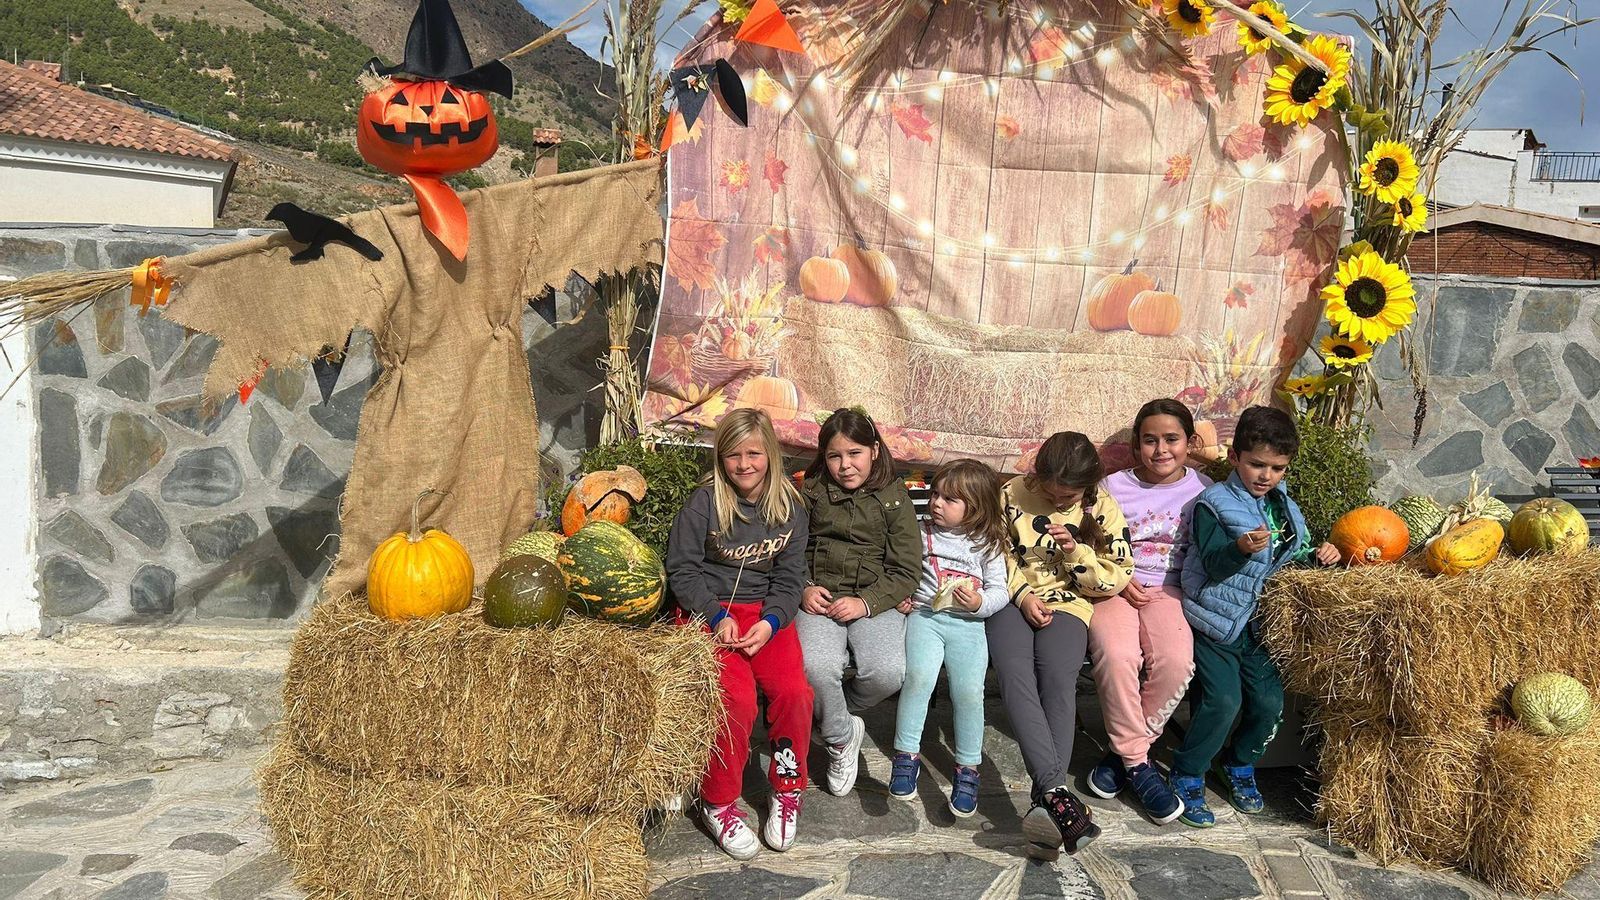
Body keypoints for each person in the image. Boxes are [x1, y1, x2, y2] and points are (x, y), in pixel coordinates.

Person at [1169, 405, 1340, 828]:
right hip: (1216, 622)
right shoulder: (1214, 504)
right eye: (1256, 464)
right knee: (1223, 701)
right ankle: (1188, 771)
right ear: (1235, 459)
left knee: (1268, 704)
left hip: (1260, 627)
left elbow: (1289, 561)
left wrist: (1321, 557)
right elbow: (1209, 563)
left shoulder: (1286, 508)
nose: (1266, 476)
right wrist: (1238, 550)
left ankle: (1238, 762)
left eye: (1277, 468)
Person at [665, 408, 812, 859]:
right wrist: (714, 615)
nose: (744, 465)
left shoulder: (790, 508)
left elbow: (789, 581)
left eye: (754, 453)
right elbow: (682, 570)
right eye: (733, 455)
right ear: (720, 458)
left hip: (766, 616)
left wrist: (770, 624)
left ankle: (787, 789)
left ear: (770, 453)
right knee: (737, 699)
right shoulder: (704, 503)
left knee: (794, 693)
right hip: (712, 612)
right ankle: (719, 802)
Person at [992, 431, 1134, 859]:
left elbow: (1116, 575)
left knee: (1057, 677)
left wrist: (1077, 553)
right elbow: (995, 554)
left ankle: (1048, 802)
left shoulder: (1099, 507)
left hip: (1070, 602)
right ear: (1038, 476)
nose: (1057, 502)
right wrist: (1022, 596)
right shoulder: (1010, 494)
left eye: (1066, 496)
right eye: (1050, 493)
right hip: (1010, 599)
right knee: (1015, 673)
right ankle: (1057, 793)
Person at [1086, 400, 1210, 824]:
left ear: (1190, 443)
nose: (1161, 450)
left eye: (1171, 439)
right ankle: (1140, 766)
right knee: (1117, 655)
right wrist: (1118, 580)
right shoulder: (1111, 487)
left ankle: (1121, 755)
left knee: (1176, 662)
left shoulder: (1203, 490)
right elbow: (1089, 545)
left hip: (1170, 590)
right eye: (1150, 440)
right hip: (1114, 588)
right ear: (1136, 445)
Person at [797, 408, 922, 797]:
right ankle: (838, 739)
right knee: (815, 665)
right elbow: (789, 546)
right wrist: (803, 586)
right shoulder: (811, 491)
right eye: (834, 456)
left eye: (854, 454)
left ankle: (838, 716)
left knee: (886, 672)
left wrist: (866, 602)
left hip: (874, 598)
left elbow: (906, 569)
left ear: (873, 450)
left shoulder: (893, 498)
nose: (845, 466)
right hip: (821, 595)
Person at [888, 459, 1010, 817]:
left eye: (949, 499)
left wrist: (980, 604)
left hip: (968, 626)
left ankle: (968, 767)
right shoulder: (921, 531)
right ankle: (906, 754)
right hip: (926, 617)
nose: (937, 503)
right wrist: (903, 593)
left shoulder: (986, 543)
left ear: (975, 508)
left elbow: (1000, 590)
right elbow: (903, 568)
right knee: (919, 680)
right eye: (935, 494)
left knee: (969, 693)